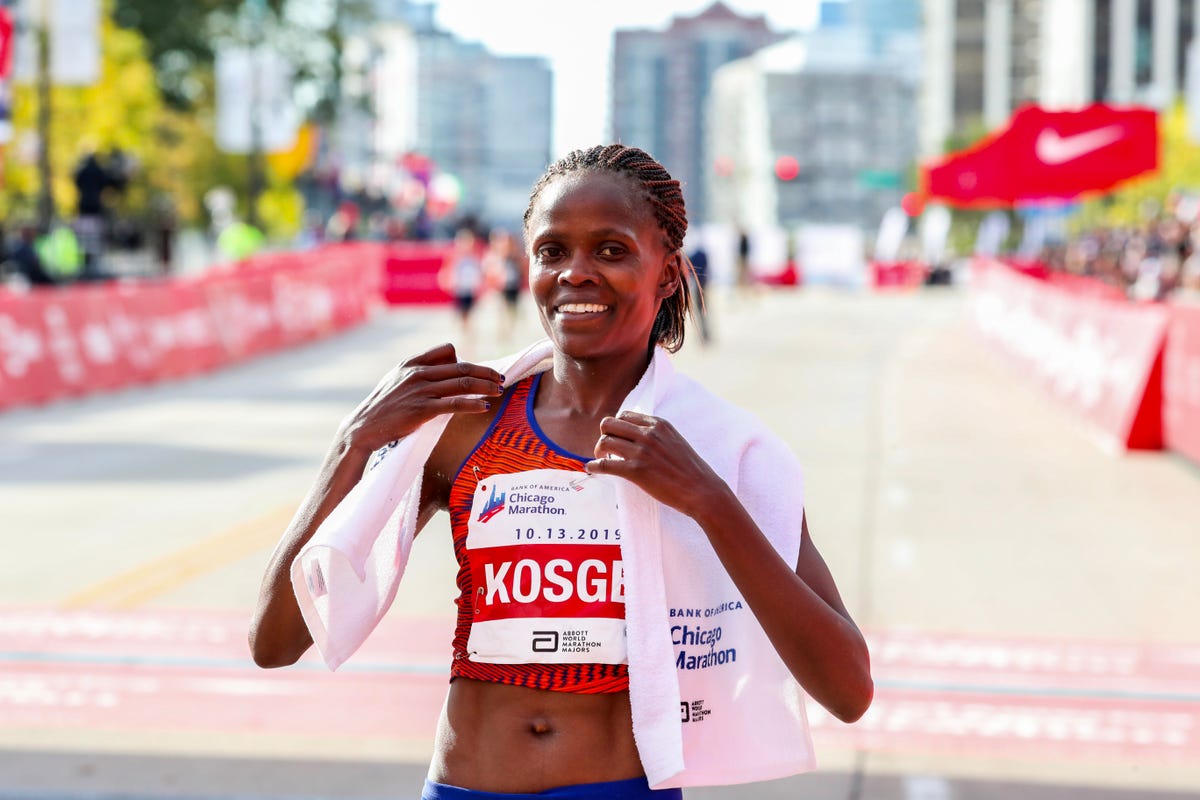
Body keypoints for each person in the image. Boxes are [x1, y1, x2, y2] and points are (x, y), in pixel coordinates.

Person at [249, 144, 872, 800]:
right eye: (552, 251)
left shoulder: (719, 446)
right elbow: (275, 640)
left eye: (610, 250)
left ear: (667, 273)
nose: (576, 273)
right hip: (465, 788)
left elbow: (848, 688)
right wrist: (354, 444)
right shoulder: (467, 423)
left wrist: (708, 502)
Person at [439, 226, 486, 344]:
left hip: (470, 290)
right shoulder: (455, 258)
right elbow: (446, 273)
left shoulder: (474, 258)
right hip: (459, 290)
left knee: (469, 316)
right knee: (460, 316)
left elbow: (480, 273)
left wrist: (480, 287)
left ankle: (468, 338)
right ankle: (461, 337)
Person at [483, 226, 528, 342]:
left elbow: (522, 270)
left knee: (513, 310)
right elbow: (488, 271)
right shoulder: (494, 256)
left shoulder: (516, 256)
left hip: (513, 286)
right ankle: (503, 333)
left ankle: (511, 331)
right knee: (502, 310)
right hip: (500, 287)